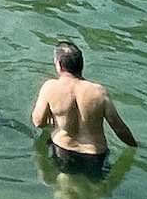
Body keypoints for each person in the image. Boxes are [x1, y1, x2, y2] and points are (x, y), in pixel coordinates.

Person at [32, 41, 137, 173]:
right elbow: (119, 128)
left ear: (59, 65)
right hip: (95, 155)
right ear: (81, 64)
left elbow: (38, 122)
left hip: (63, 150)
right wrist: (135, 146)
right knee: (94, 190)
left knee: (65, 188)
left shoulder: (50, 87)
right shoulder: (99, 92)